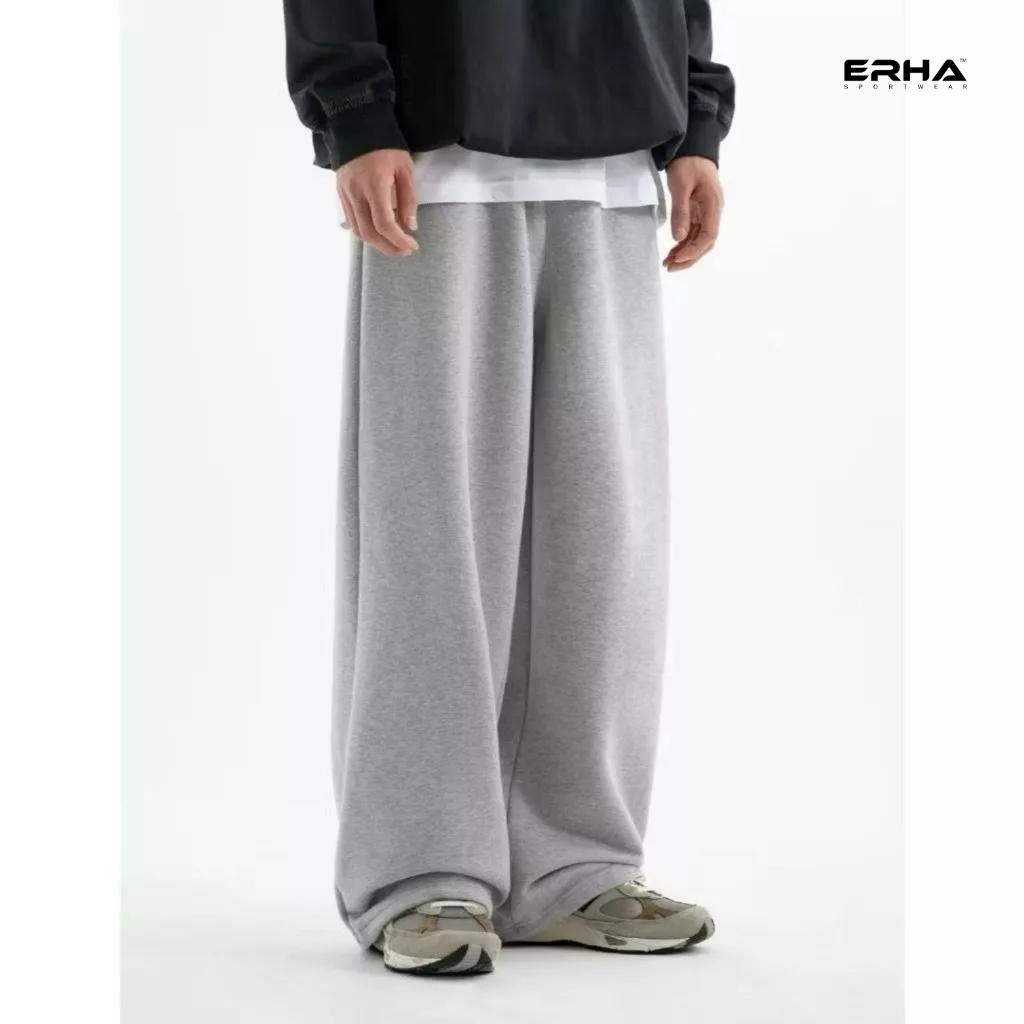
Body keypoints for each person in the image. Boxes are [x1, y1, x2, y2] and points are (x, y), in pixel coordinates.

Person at [284, 0, 735, 976]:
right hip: (438, 148)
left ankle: (574, 865)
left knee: (602, 541)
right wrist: (354, 110)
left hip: (618, 145)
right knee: (433, 528)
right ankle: (420, 872)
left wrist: (696, 122)